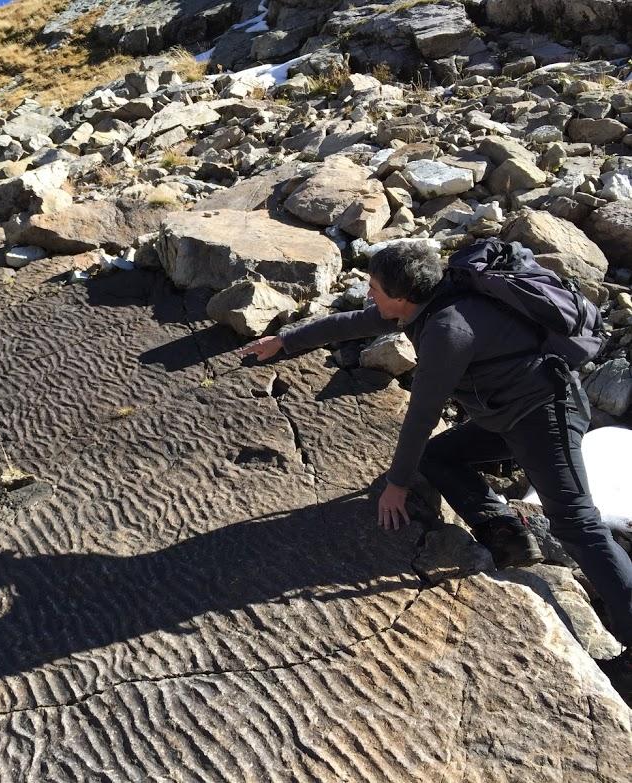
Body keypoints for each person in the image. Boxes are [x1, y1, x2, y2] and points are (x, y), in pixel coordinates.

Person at [238, 242, 631, 690]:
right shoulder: (430, 298)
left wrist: (397, 485)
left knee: (576, 524)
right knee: (439, 457)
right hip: (503, 413)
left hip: (545, 416)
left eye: (374, 287)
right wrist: (285, 341)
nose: (369, 294)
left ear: (402, 297)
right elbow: (354, 322)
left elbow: (422, 414)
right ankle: (504, 529)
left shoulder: (447, 329)